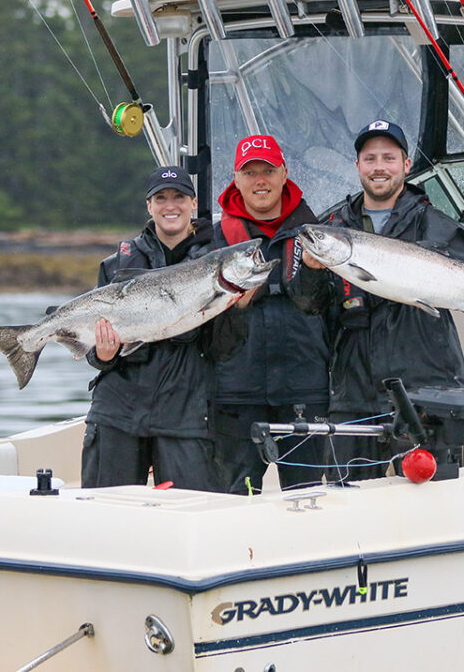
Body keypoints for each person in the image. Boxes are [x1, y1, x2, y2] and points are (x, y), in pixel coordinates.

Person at [292, 119, 464, 483]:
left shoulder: (437, 224)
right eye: (370, 158)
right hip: (355, 391)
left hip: (429, 386)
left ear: (406, 165)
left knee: (434, 495)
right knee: (348, 498)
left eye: (389, 158)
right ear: (358, 166)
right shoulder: (332, 227)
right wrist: (313, 270)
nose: (379, 167)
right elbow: (307, 304)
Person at [82, 165, 249, 491]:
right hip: (117, 412)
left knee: (190, 515)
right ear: (149, 206)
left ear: (193, 203)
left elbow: (225, 348)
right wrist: (102, 355)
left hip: (185, 414)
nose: (170, 205)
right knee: (106, 515)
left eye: (179, 197)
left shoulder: (215, 264)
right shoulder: (117, 264)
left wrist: (238, 309)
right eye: (161, 198)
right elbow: (93, 349)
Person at [211, 135, 330, 494]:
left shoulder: (322, 235)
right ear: (235, 178)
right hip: (235, 395)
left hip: (305, 390)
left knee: (307, 498)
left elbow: (336, 311)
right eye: (250, 173)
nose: (260, 180)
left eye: (268, 170)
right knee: (235, 500)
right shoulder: (213, 241)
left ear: (284, 174)